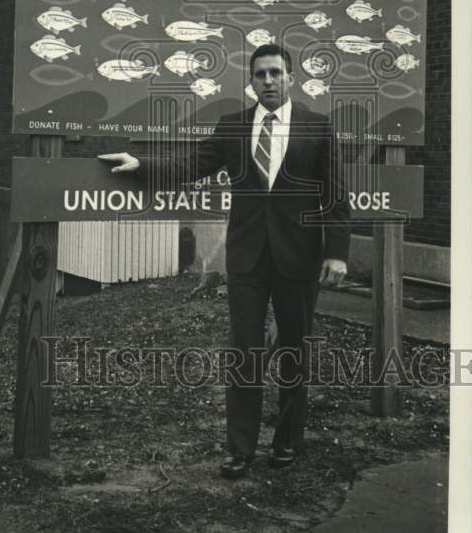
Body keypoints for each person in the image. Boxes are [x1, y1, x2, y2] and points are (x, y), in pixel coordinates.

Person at [99, 43, 350, 479]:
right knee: (245, 353)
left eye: (275, 73)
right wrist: (141, 163)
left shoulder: (318, 127)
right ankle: (240, 449)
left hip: (300, 257)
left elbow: (336, 196)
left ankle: (288, 442)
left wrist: (337, 253)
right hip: (248, 257)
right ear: (251, 82)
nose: (268, 81)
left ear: (291, 78)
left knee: (295, 352)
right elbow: (193, 163)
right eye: (260, 75)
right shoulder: (234, 127)